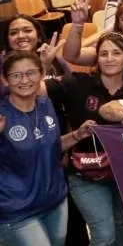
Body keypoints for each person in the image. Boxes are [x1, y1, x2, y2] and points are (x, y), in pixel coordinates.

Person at [42, 33, 123, 246]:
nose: (109, 58)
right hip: (85, 174)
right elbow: (32, 91)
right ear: (96, 59)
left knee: (122, 230)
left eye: (116, 53)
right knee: (104, 235)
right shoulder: (76, 82)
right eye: (103, 54)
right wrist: (43, 65)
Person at [1, 50, 95, 246]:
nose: (24, 80)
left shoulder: (46, 105)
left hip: (55, 202)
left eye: (31, 73)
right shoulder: (2, 115)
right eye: (16, 75)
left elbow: (51, 146)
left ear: (41, 74)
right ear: (5, 80)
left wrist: (77, 135)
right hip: (17, 212)